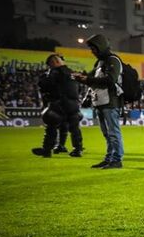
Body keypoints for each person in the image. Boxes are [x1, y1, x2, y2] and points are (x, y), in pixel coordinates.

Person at [74, 34, 124, 169]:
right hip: (101, 102)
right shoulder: (100, 63)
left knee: (113, 132)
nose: (92, 52)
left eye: (94, 48)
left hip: (110, 101)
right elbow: (90, 78)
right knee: (107, 133)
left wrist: (86, 80)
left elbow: (110, 80)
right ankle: (109, 158)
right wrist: (81, 78)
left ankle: (117, 160)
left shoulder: (113, 60)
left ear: (100, 47)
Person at [32, 54, 84, 158]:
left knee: (51, 126)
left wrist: (45, 78)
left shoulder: (55, 73)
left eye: (50, 65)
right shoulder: (72, 73)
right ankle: (77, 150)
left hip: (60, 103)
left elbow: (45, 86)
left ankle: (47, 150)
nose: (50, 68)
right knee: (75, 129)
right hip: (73, 104)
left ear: (54, 62)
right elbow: (78, 89)